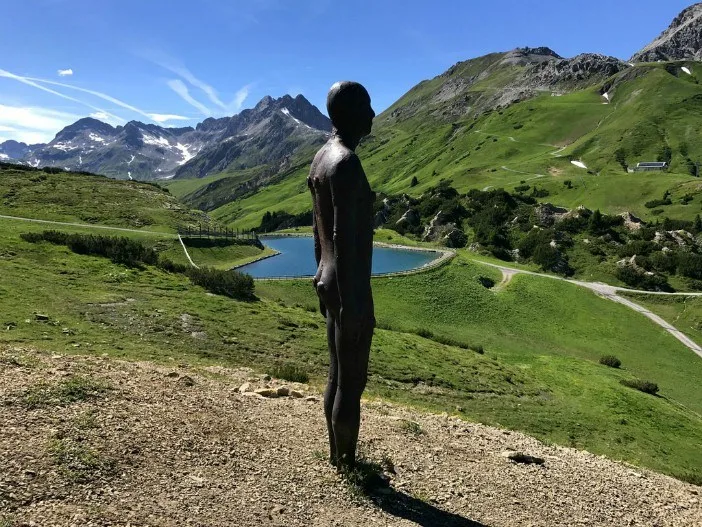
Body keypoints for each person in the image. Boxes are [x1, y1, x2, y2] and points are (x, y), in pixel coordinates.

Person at [307, 81, 376, 470]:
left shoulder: (320, 158)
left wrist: (320, 274)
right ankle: (348, 465)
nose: (372, 114)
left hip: (328, 279)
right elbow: (343, 237)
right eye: (365, 106)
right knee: (351, 382)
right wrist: (353, 303)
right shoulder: (346, 163)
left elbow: (318, 232)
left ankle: (337, 456)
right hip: (350, 286)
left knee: (336, 372)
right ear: (349, 113)